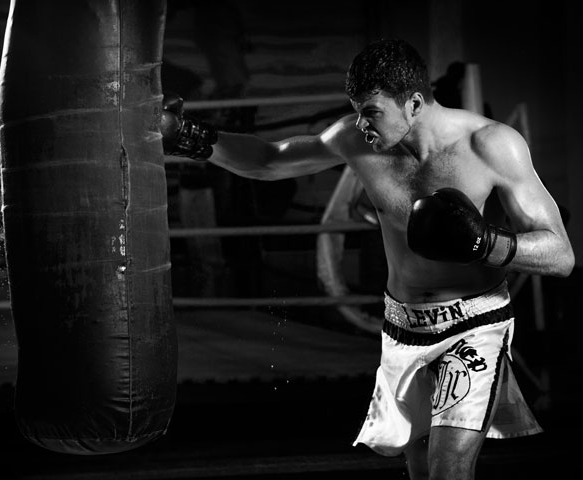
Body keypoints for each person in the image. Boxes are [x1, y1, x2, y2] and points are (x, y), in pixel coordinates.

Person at [159, 38, 575, 480]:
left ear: (414, 103)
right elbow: (268, 160)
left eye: (372, 110)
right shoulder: (356, 140)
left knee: (449, 467)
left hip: (473, 326)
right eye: (356, 109)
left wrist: (484, 242)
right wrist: (190, 136)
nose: (361, 123)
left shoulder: (491, 145)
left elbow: (560, 254)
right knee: (419, 467)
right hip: (403, 325)